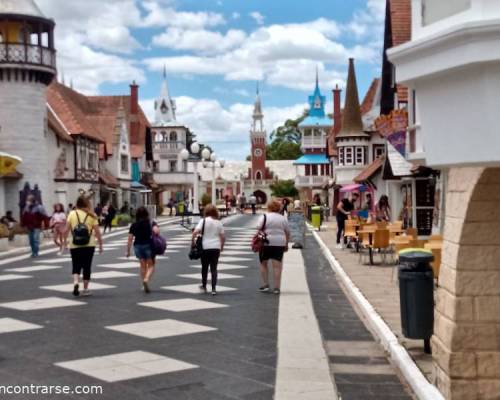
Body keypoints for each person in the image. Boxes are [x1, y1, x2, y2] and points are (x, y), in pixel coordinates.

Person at [64, 196, 103, 296]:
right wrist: (101, 245)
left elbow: (66, 230)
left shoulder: (72, 214)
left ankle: (76, 282)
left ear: (77, 204)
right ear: (87, 204)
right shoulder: (92, 215)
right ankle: (85, 289)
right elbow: (97, 232)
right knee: (87, 266)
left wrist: (64, 243)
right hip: (89, 244)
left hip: (75, 244)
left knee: (76, 265)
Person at [258, 200, 290, 295]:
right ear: (279, 208)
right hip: (279, 243)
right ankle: (276, 287)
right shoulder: (283, 218)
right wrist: (286, 244)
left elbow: (258, 227)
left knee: (263, 264)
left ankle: (265, 284)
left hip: (265, 243)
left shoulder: (264, 217)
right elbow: (287, 232)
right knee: (277, 266)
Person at [192, 204, 225, 295]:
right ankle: (213, 289)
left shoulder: (203, 221)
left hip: (205, 247)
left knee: (204, 267)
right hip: (216, 247)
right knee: (214, 268)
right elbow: (222, 237)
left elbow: (195, 232)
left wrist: (193, 243)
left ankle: (204, 285)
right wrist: (221, 246)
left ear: (206, 212)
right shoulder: (218, 222)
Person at [127, 206, 155, 293]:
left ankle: (143, 284)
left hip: (137, 246)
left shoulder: (134, 225)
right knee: (151, 265)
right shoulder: (149, 223)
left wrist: (128, 251)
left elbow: (130, 238)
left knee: (142, 265)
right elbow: (156, 233)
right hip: (148, 245)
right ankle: (146, 279)